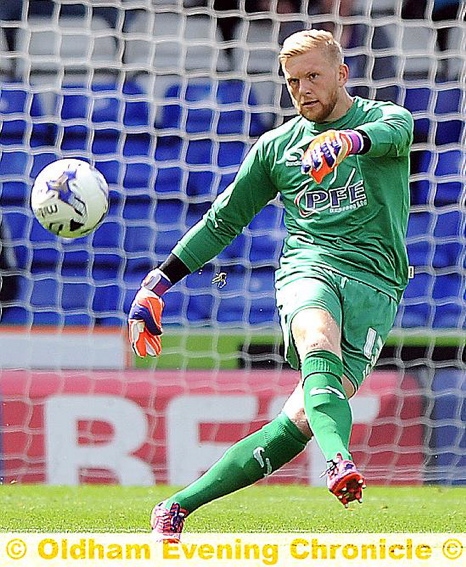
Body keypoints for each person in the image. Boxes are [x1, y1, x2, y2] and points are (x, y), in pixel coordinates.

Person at [128, 29, 413, 539]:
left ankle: (177, 506)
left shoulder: (383, 119)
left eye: (313, 77)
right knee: (316, 337)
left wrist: (345, 142)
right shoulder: (276, 149)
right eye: (291, 81)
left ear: (342, 75)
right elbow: (222, 222)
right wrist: (158, 282)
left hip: (378, 286)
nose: (302, 90)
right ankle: (340, 462)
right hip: (311, 268)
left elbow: (393, 135)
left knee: (302, 419)